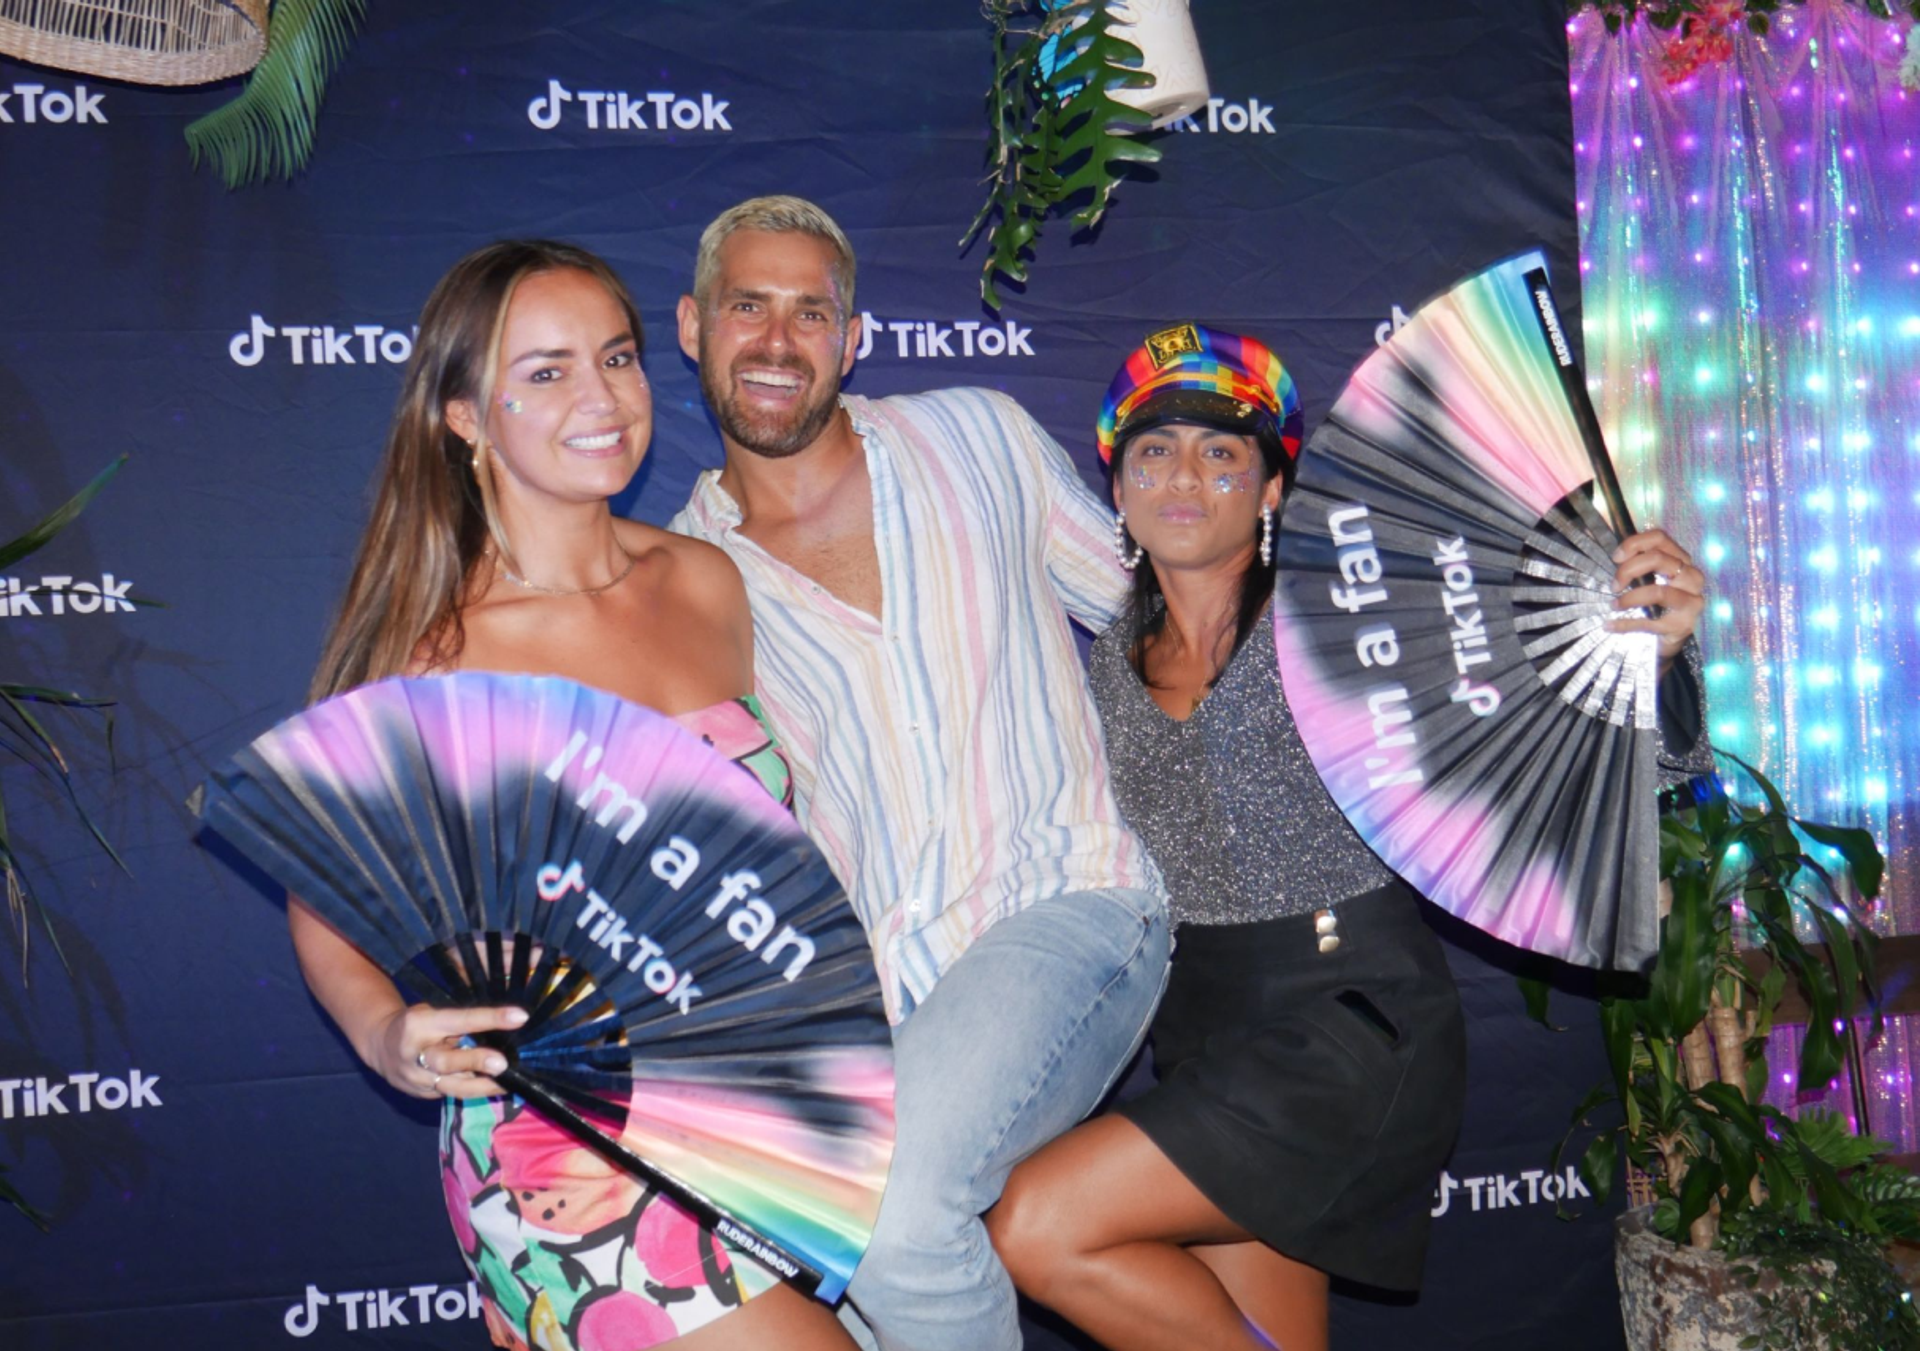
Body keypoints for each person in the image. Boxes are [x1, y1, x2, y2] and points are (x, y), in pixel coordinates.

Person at [985, 324, 1713, 1351]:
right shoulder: (1106, 664)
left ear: (1273, 487)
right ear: (1117, 487)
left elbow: (1599, 755)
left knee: (1035, 1224)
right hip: (1200, 1032)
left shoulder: (1349, 627)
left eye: (1221, 452)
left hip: (1351, 1021)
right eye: (1153, 450)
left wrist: (1660, 656)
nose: (1183, 476)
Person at [290, 239, 854, 1351]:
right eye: (545, 372)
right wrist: (386, 1033)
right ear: (463, 416)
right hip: (568, 1152)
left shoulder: (702, 580)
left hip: (751, 1124)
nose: (602, 399)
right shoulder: (442, 658)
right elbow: (323, 896)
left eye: (618, 357)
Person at [668, 196, 1170, 1351]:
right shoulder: (684, 582)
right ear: (694, 325)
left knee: (892, 1224)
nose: (780, 340)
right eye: (750, 306)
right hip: (889, 1001)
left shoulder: (977, 437)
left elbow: (1172, 618)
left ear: (855, 339)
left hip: (1074, 903)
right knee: (838, 1265)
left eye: (813, 311)